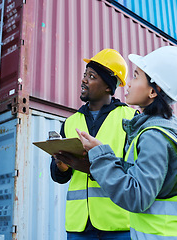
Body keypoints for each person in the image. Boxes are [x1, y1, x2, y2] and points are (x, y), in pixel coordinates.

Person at [73, 46, 177, 239]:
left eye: (135, 76)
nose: (128, 84)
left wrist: (100, 156)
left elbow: (137, 196)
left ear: (153, 91)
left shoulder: (154, 135)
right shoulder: (170, 128)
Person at [51, 49, 137, 239]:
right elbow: (60, 177)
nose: (83, 80)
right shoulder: (70, 122)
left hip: (118, 224)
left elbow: (137, 171)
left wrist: (95, 167)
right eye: (84, 75)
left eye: (91, 76)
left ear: (108, 86)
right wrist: (61, 166)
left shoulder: (130, 119)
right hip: (79, 226)